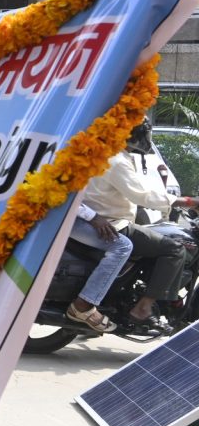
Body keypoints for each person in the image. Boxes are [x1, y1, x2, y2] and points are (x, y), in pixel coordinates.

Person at [81, 118, 198, 333]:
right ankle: (143, 308)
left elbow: (140, 189)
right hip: (113, 222)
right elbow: (141, 194)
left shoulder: (105, 151)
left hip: (107, 216)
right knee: (174, 249)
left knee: (157, 235)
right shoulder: (116, 160)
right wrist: (187, 201)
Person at [63, 203, 132, 333]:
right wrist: (93, 217)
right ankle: (83, 305)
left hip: (72, 211)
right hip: (65, 214)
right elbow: (66, 194)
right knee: (123, 246)